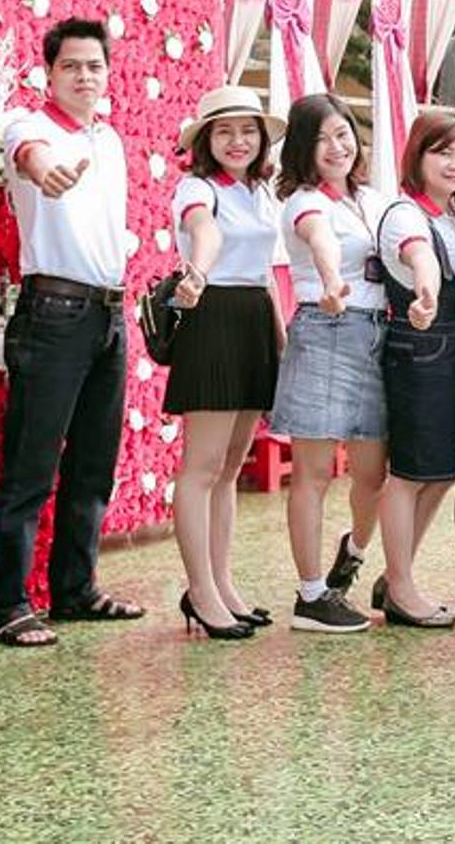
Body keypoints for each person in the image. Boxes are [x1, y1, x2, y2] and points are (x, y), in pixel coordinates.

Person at [0, 17, 143, 647]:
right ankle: (7, 606)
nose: (84, 76)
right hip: (52, 314)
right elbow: (31, 156)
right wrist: (44, 168)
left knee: (93, 465)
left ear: (108, 73)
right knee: (30, 465)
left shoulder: (111, 141)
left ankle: (75, 590)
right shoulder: (29, 126)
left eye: (94, 66)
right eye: (71, 65)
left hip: (109, 316)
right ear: (49, 73)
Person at [166, 85, 285, 640]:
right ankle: (200, 591)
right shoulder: (198, 189)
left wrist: (280, 337)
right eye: (224, 131)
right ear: (206, 140)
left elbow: (264, 270)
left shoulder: (259, 192)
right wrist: (197, 271)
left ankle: (223, 584)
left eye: (247, 131)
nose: (237, 141)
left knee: (231, 468)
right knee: (203, 466)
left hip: (254, 319)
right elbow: (204, 232)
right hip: (211, 315)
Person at [272, 93, 390, 634]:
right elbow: (320, 239)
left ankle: (355, 552)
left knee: (373, 474)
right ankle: (311, 594)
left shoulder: (371, 199)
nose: (336, 147)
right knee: (314, 473)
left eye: (343, 134)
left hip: (377, 335)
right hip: (326, 329)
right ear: (303, 149)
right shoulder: (303, 202)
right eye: (321, 139)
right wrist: (331, 281)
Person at [370, 108, 455, 629]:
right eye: (443, 153)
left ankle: (397, 574)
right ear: (417, 155)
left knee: (442, 472)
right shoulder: (405, 214)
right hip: (420, 348)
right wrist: (427, 293)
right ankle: (400, 587)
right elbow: (420, 258)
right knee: (410, 474)